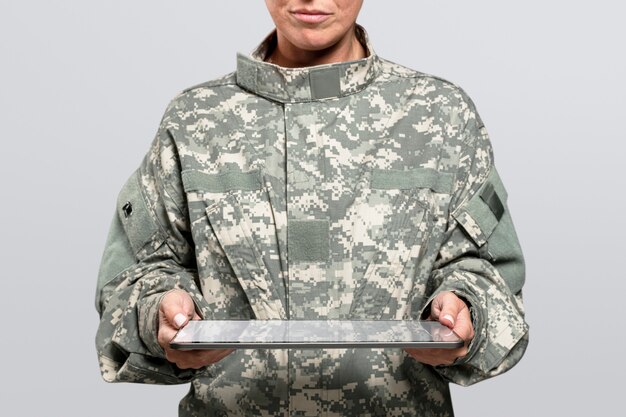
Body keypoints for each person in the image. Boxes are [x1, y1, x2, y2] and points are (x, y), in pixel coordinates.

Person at [95, 1, 529, 415]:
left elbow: (492, 276)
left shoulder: (440, 116)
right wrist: (160, 313)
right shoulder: (194, 121)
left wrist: (464, 310)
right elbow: (133, 277)